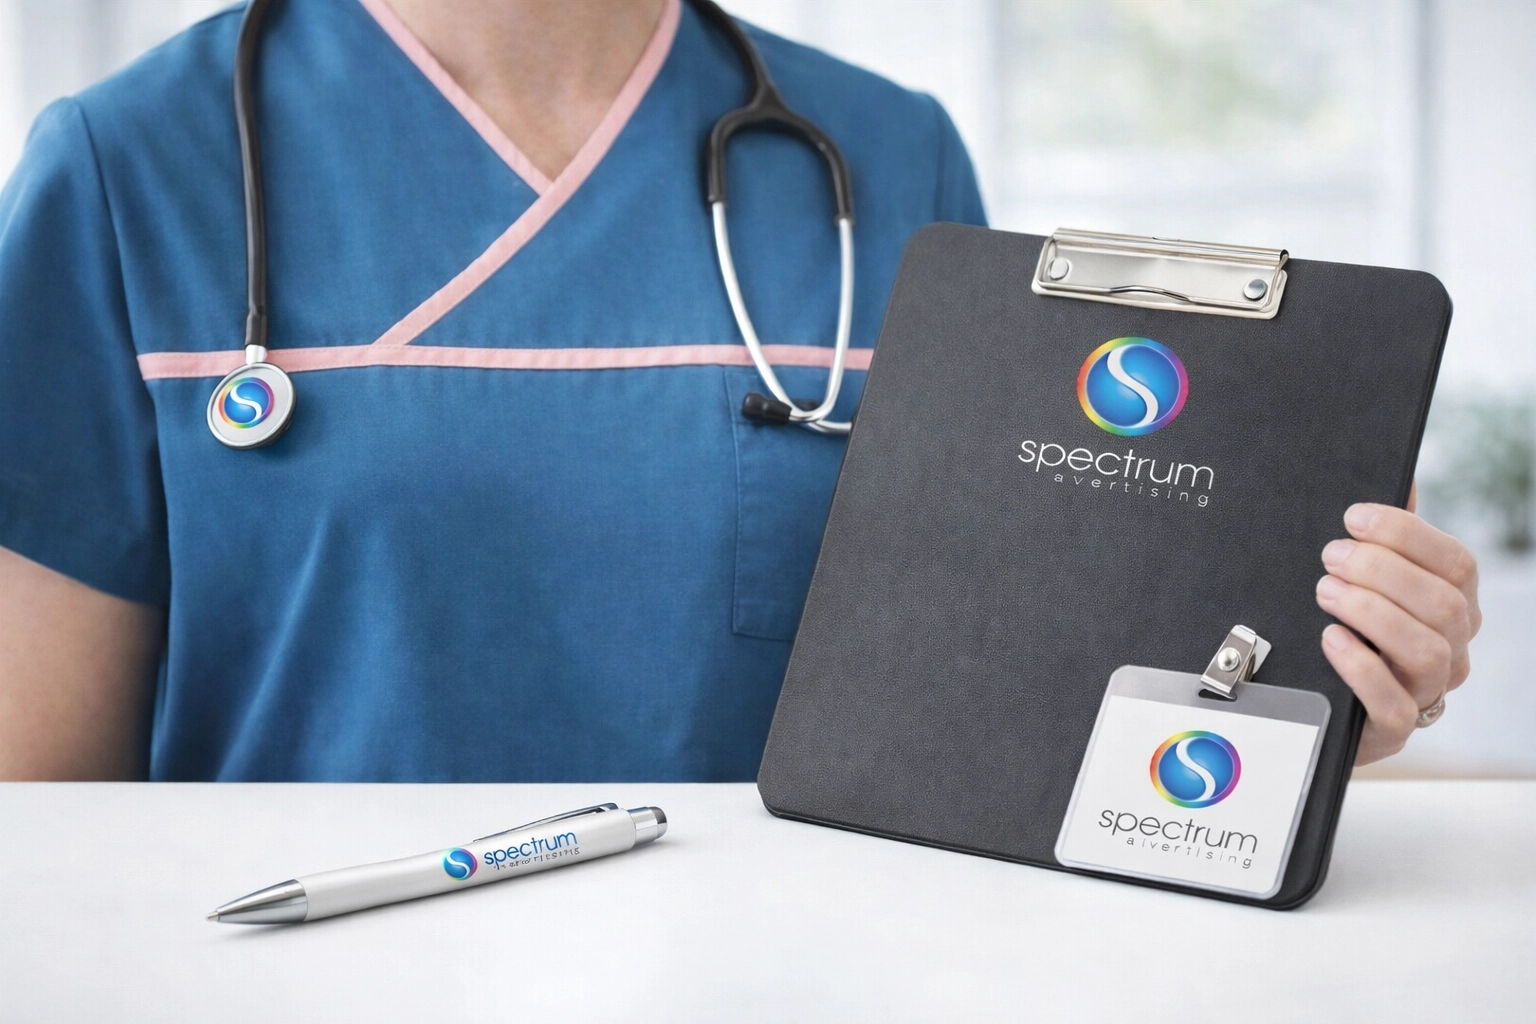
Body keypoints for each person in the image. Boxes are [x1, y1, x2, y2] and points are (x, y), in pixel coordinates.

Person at [0, 0, 1479, 781]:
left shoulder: (891, 162)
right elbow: (37, 818)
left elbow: (994, 711)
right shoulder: (128, 171)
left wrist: (1309, 690)